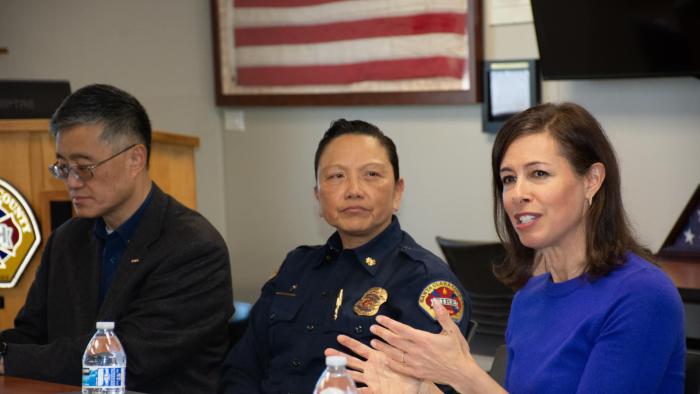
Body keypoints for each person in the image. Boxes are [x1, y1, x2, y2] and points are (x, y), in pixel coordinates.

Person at [328, 103, 686, 393]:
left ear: (591, 180)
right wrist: (420, 389)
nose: (517, 194)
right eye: (508, 179)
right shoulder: (531, 296)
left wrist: (466, 375)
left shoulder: (642, 295)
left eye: (539, 174)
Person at [0, 84, 233, 393]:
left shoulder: (194, 248)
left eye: (84, 167)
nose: (71, 182)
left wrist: (9, 358)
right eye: (63, 167)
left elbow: (125, 360)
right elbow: (30, 335)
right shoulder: (66, 241)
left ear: (135, 159)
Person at [219, 119, 471, 393]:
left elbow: (434, 387)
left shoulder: (424, 281)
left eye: (371, 174)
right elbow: (242, 369)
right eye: (336, 176)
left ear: (397, 193)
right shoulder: (295, 267)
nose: (354, 190)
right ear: (318, 196)